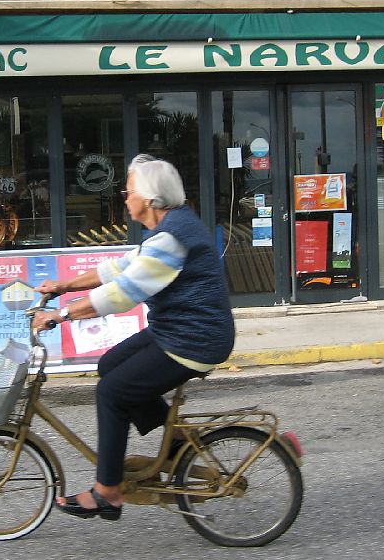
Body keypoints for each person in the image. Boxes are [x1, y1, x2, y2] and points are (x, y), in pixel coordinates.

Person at [32, 154, 235, 521]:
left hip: (195, 340)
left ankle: (107, 492)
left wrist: (60, 315)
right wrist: (63, 286)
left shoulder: (172, 239)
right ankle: (174, 449)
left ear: (149, 199)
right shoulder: (168, 230)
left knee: (112, 392)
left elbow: (122, 292)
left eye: (129, 190)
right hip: (176, 331)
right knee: (111, 364)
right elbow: (118, 268)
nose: (124, 197)